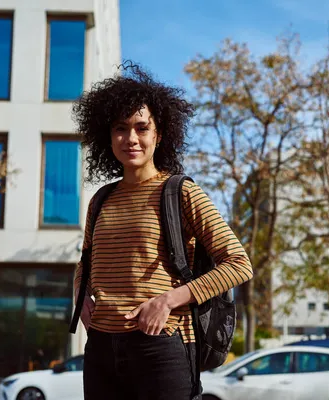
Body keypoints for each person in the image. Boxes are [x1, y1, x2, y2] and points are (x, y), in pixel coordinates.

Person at [71, 62, 254, 400]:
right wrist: (79, 297)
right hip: (100, 350)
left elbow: (238, 263)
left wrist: (168, 301)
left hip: (162, 348)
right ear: (107, 136)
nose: (131, 138)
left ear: (158, 134)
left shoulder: (180, 192)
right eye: (120, 129)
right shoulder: (101, 199)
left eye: (142, 128)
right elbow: (86, 262)